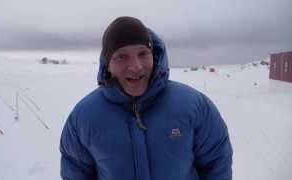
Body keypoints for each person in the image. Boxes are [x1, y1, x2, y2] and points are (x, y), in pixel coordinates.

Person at [60, 16, 233, 180]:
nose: (136, 66)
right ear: (108, 64)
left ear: (154, 55)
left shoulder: (194, 106)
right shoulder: (84, 117)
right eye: (121, 56)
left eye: (143, 53)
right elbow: (75, 172)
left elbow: (217, 163)